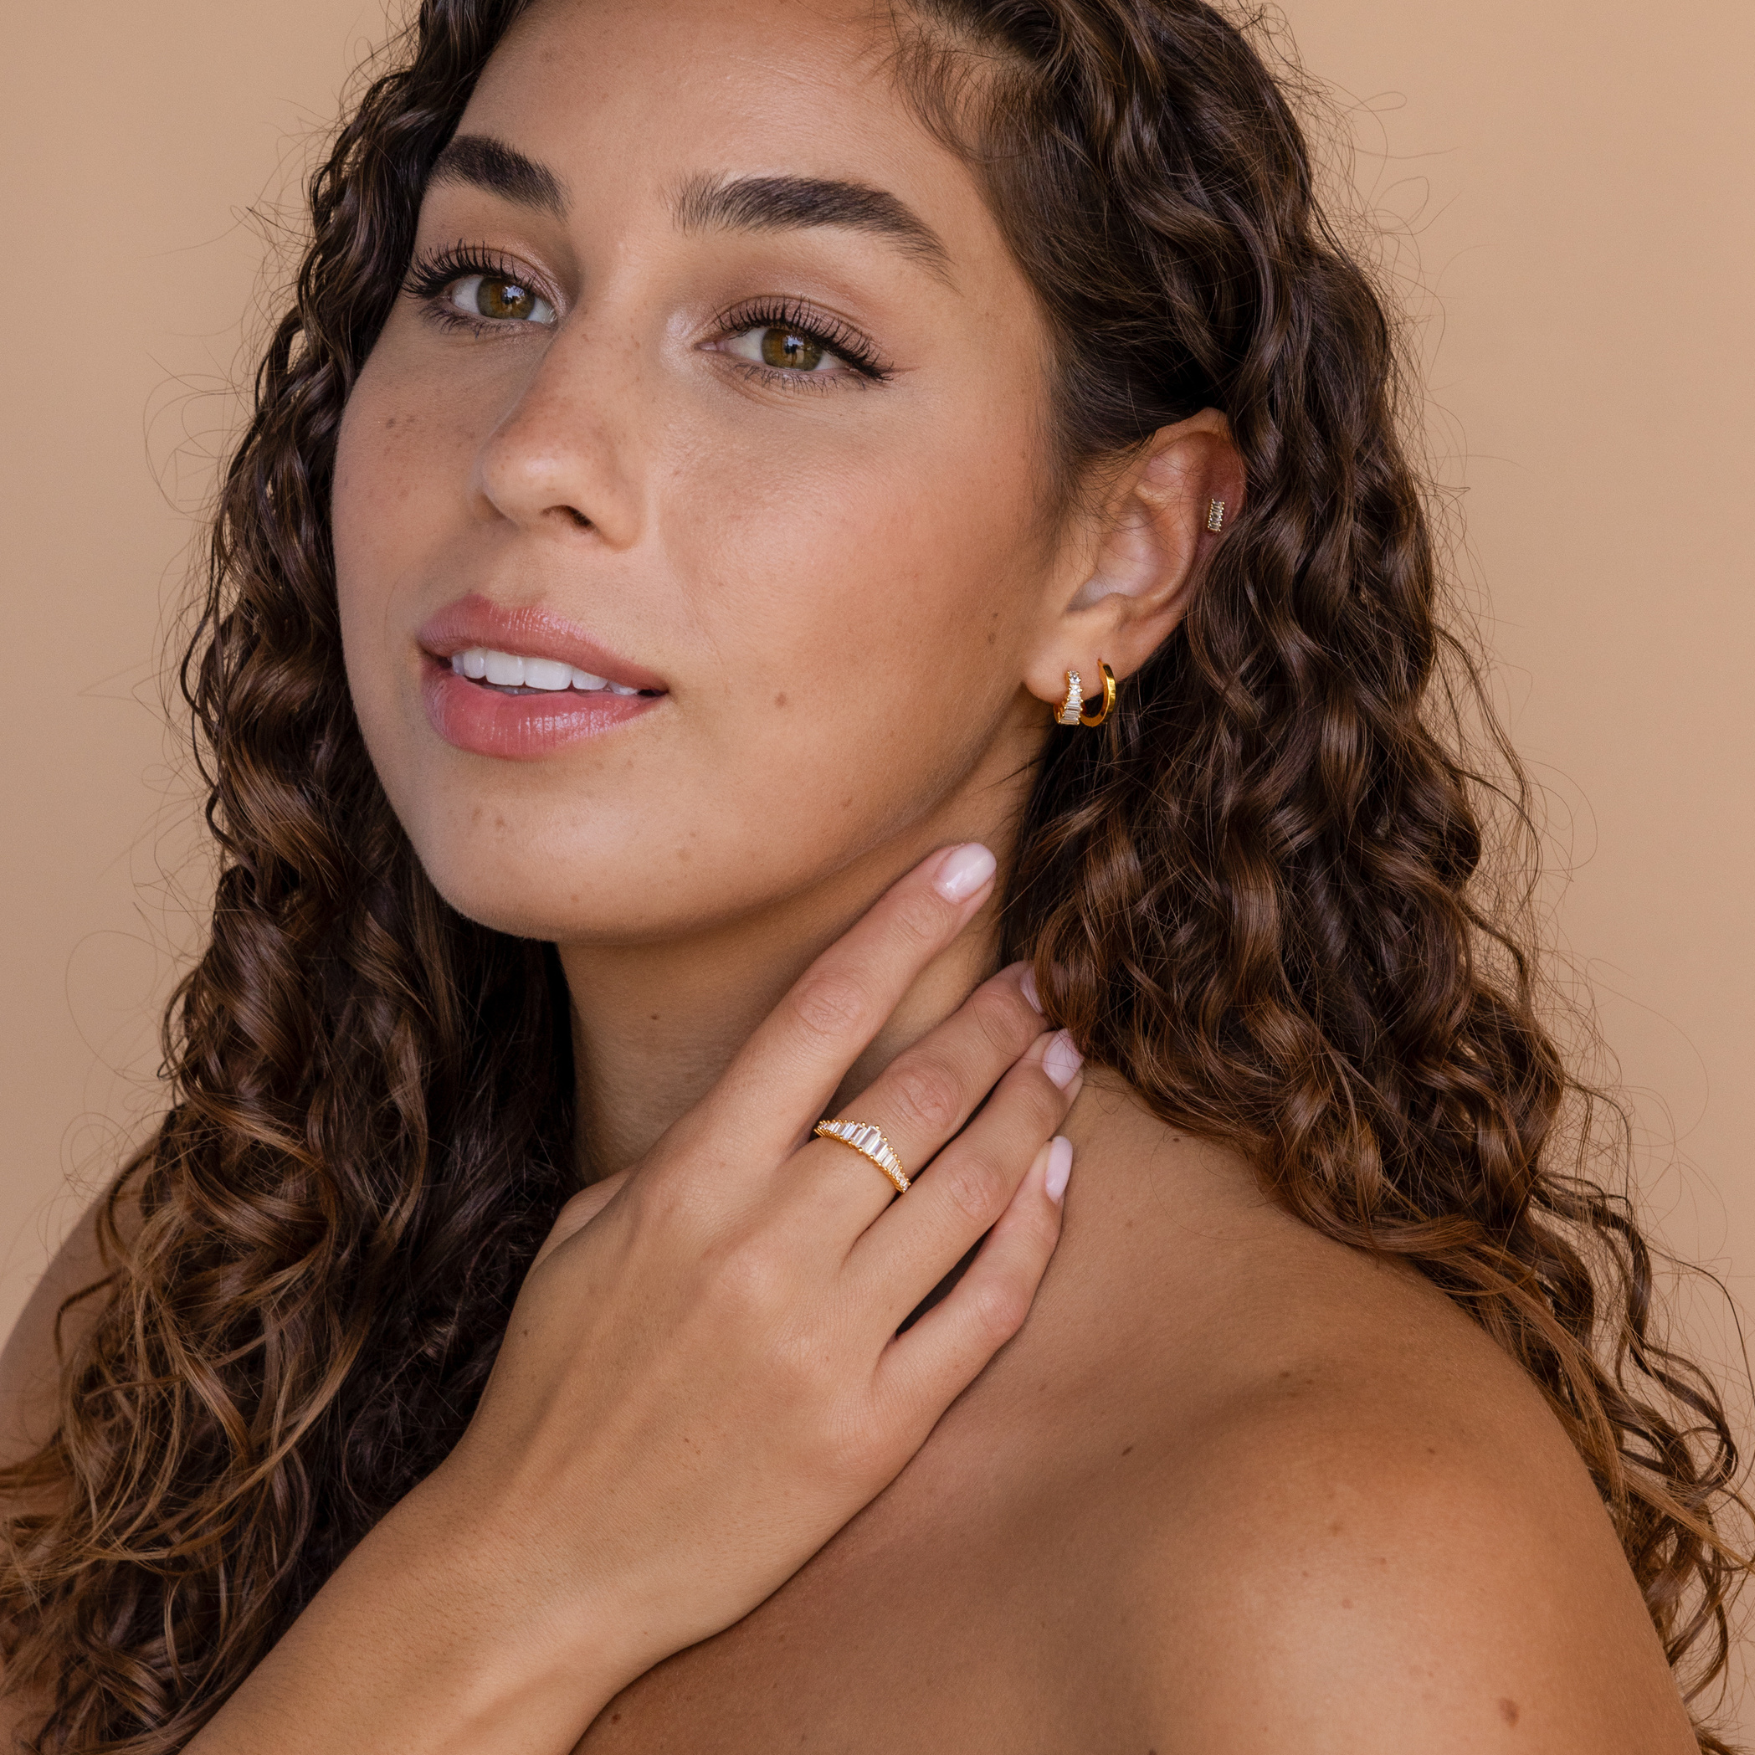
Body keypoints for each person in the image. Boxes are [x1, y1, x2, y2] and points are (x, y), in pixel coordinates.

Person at [0, 0, 1745, 1749]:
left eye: (784, 337)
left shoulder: (1339, 1560)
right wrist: (516, 1568)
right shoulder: (209, 1284)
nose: (532, 448)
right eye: (488, 286)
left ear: (1123, 555)